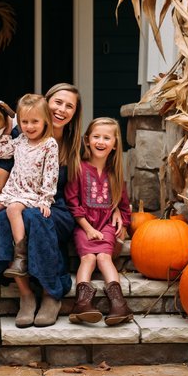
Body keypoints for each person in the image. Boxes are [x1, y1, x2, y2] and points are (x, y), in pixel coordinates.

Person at [0, 84, 105, 328]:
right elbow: (2, 171)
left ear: (75, 113)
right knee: (4, 217)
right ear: (46, 104)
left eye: (69, 106)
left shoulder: (74, 145)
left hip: (56, 207)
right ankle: (25, 294)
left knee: (35, 217)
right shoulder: (21, 136)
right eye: (58, 102)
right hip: (21, 199)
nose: (62, 109)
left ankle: (50, 293)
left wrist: (114, 208)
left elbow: (100, 178)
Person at [65, 117, 133, 326]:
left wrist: (122, 219)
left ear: (114, 144)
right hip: (83, 225)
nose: (100, 141)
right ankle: (83, 303)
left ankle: (119, 305)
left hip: (105, 226)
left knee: (104, 257)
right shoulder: (79, 167)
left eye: (106, 138)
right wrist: (88, 228)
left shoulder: (115, 174)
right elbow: (72, 202)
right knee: (89, 259)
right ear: (87, 140)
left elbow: (123, 205)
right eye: (96, 137)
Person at [0, 94, 60, 278]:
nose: (29, 126)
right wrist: (5, 134)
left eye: (35, 121)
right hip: (12, 190)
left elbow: (51, 174)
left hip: (30, 193)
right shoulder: (20, 140)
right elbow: (0, 152)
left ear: (45, 121)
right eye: (24, 122)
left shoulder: (49, 144)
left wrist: (45, 199)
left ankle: (21, 257)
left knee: (12, 210)